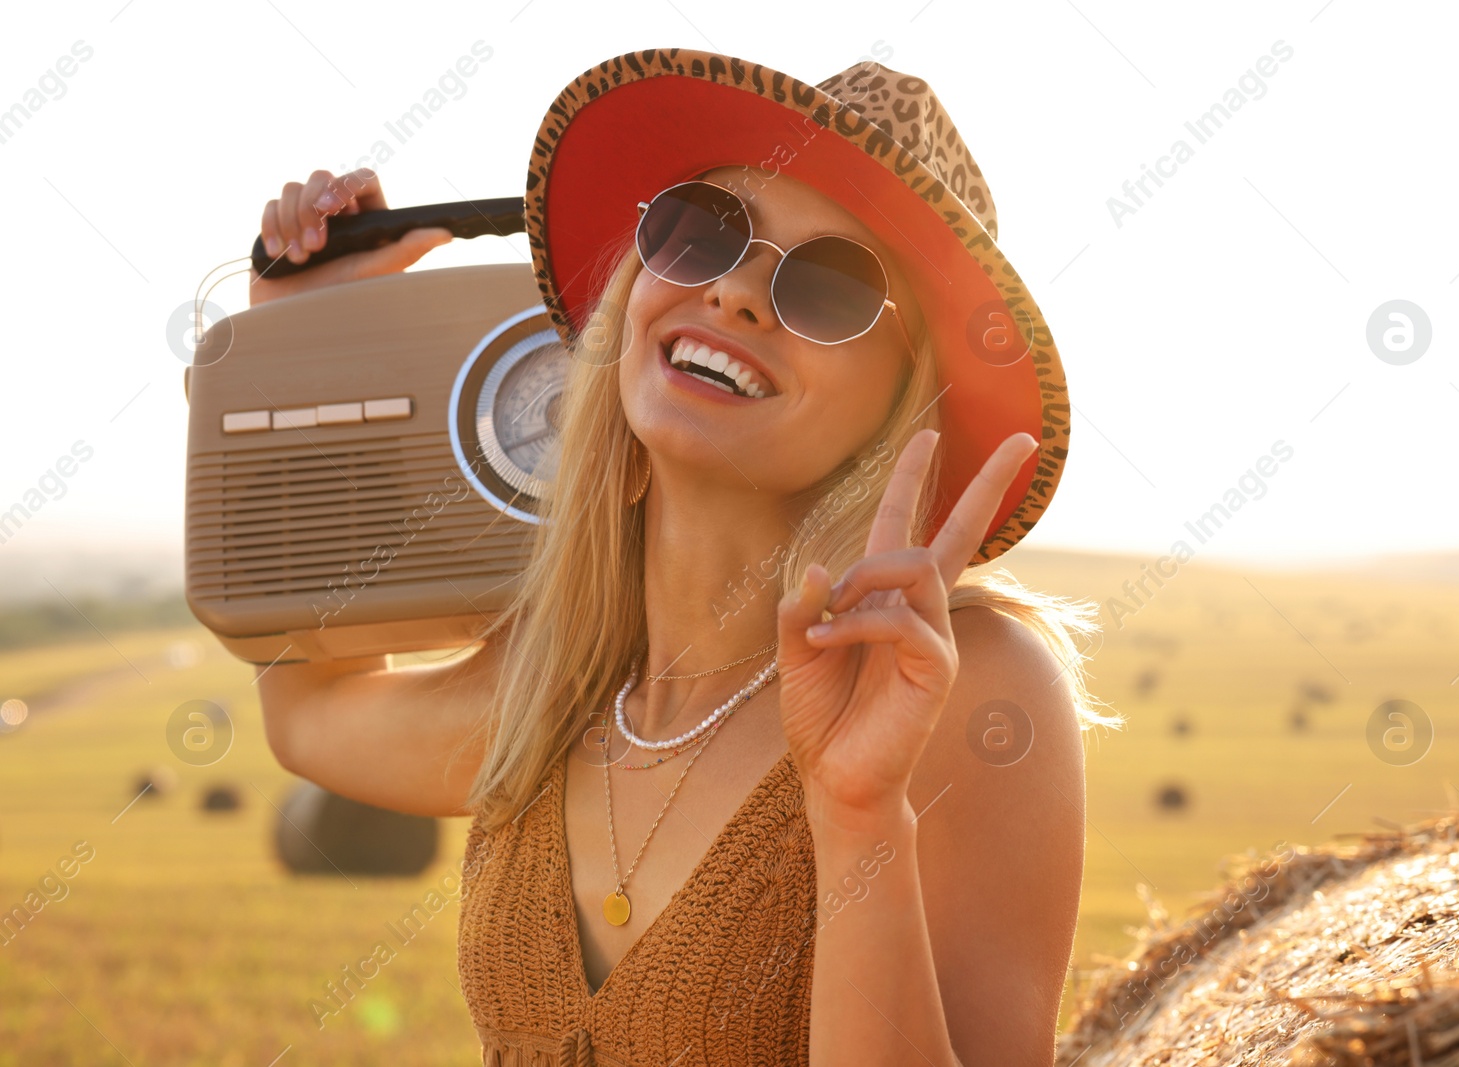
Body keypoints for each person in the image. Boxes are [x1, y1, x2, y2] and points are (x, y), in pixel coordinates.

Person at [253, 46, 1115, 1067]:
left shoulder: (960, 688)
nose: (740, 294)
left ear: (902, 392)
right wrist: (305, 348)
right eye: (706, 230)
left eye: (831, 285)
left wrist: (856, 811)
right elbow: (309, 710)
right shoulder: (559, 679)